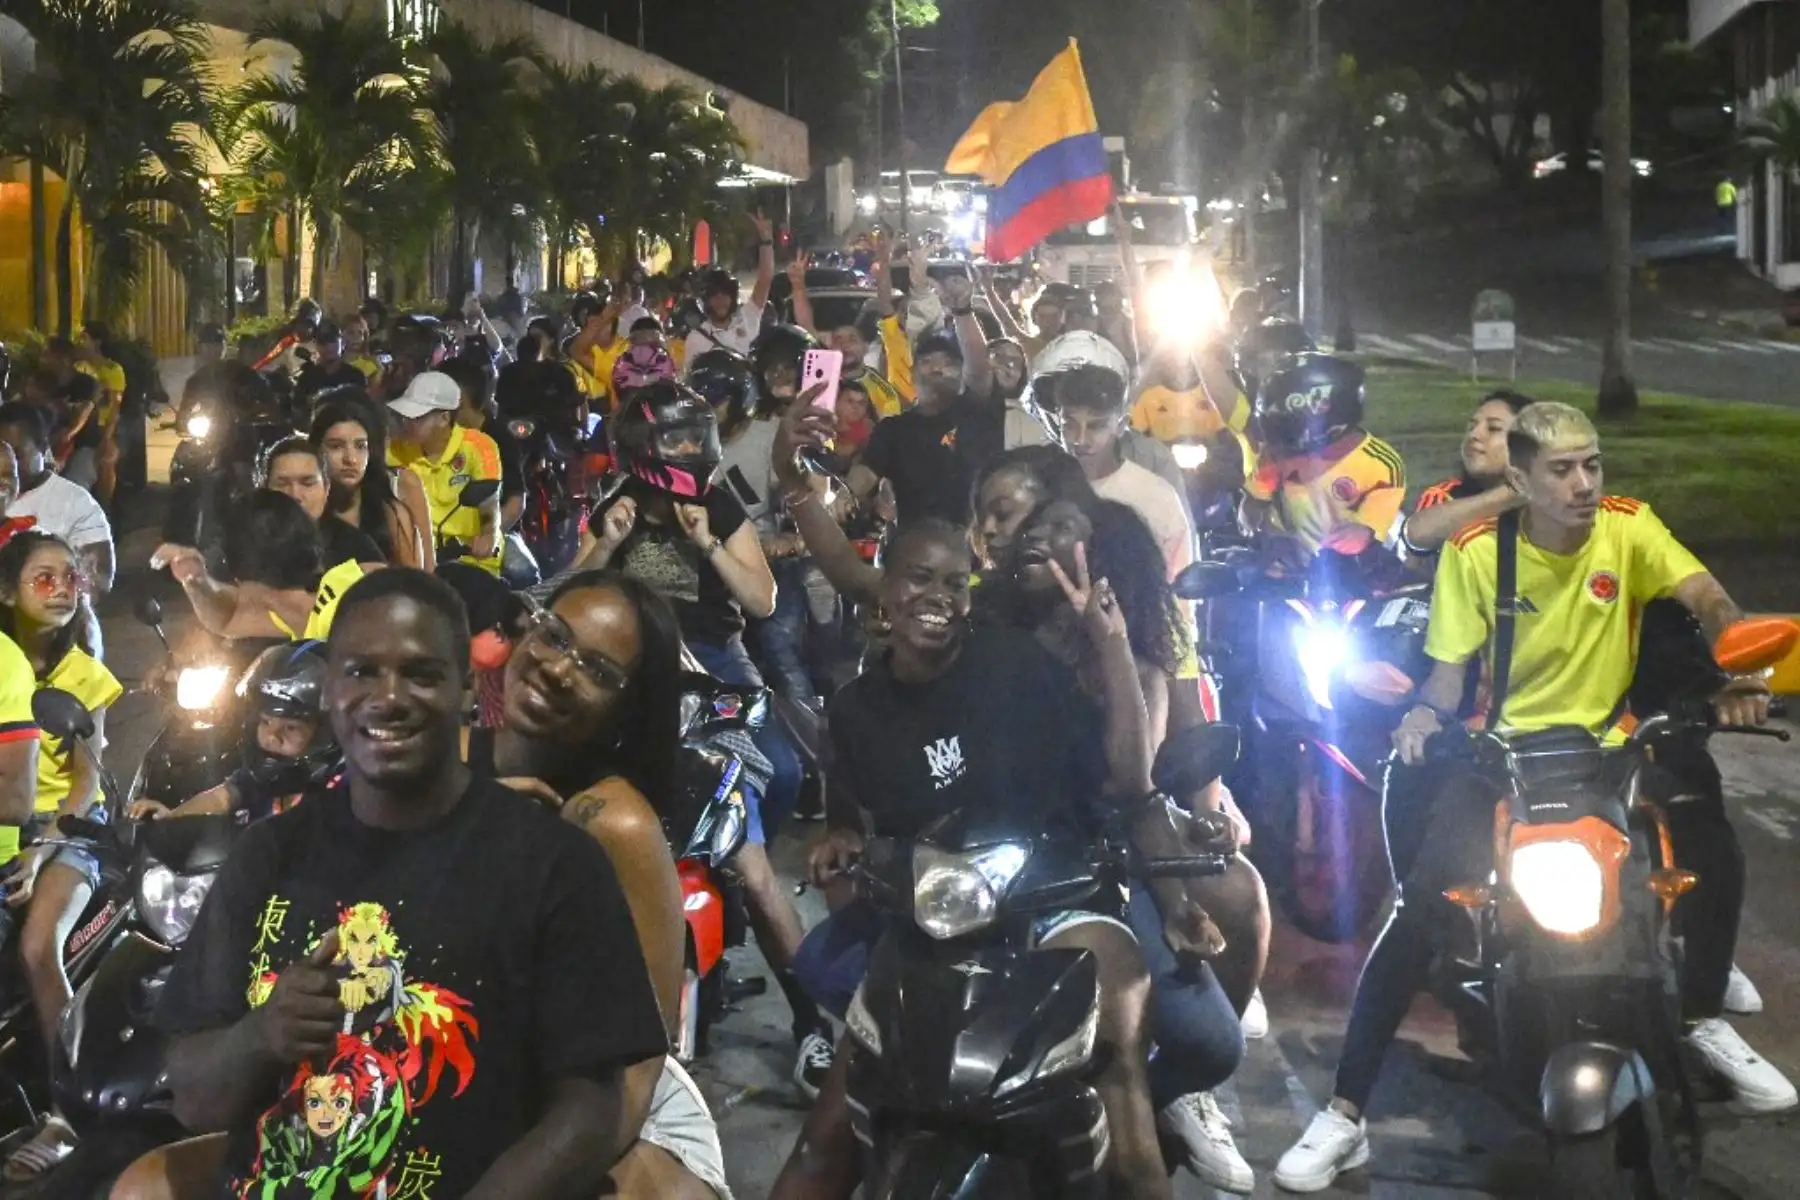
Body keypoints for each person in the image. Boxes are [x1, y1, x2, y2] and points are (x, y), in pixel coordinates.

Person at [1272, 402, 1796, 1193]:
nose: (1584, 484)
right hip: (1500, 755)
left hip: (1610, 752)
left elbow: (1707, 596)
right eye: (1562, 469)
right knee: (1417, 911)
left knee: (1704, 841)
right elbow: (1448, 673)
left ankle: (1698, 1012)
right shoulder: (1479, 551)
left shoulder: (1631, 526)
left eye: (1592, 464)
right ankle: (1345, 1111)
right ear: (1519, 480)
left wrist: (1737, 660)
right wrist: (1421, 713)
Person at [151, 568, 670, 1198]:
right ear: (328, 691)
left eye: (421, 673)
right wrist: (261, 1035)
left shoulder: (564, 854)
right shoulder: (270, 853)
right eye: (361, 671)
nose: (388, 696)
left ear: (464, 690)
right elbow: (193, 1097)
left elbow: (595, 1107)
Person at [770, 521, 1180, 1200]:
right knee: (823, 1143)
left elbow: (1123, 776)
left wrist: (1112, 647)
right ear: (885, 590)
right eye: (920, 578)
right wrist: (842, 830)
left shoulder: (1014, 664)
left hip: (1058, 905)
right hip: (937, 927)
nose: (937, 596)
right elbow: (848, 787)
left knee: (1128, 1123)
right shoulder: (857, 708)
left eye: (955, 584)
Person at [566, 381, 830, 1091]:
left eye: (694, 438)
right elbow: (571, 592)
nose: (688, 451)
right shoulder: (615, 504)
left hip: (717, 669)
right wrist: (609, 543)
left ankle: (813, 1023)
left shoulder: (714, 502)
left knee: (764, 810)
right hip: (639, 668)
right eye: (675, 441)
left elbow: (763, 599)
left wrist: (707, 544)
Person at [469, 571, 731, 1197]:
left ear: (625, 707)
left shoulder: (612, 820)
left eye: (598, 671)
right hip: (481, 1089)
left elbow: (641, 1061)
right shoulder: (450, 763)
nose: (559, 670)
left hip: (612, 1118)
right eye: (555, 636)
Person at [0, 531, 121, 1180]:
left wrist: (47, 838)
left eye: (70, 579)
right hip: (9, 834)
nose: (61, 591)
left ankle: (67, 1112)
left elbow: (85, 778)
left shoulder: (86, 674)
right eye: (41, 578)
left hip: (68, 834)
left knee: (37, 945)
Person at [843, 280, 1005, 526]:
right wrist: (844, 493)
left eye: (948, 362)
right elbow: (867, 472)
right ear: (913, 372)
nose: (937, 368)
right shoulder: (893, 430)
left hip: (974, 547)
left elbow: (980, 368)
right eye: (927, 361)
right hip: (915, 547)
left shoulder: (977, 412)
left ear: (962, 372)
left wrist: (962, 310)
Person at [127, 641, 340, 825]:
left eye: (291, 728)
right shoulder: (260, 777)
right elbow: (223, 797)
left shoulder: (338, 793)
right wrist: (173, 817)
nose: (272, 736)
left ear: (325, 732)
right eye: (265, 722)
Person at [1046, 345, 1195, 584]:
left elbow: (1178, 591)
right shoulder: (1043, 486)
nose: (1080, 439)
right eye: (1070, 424)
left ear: (1121, 424)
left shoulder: (1156, 497)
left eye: (1096, 426)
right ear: (1057, 419)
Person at [1241, 353, 1406, 565]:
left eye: (1285, 424)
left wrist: (1363, 532)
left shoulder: (1379, 465)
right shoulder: (1275, 456)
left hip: (1356, 573)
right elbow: (1254, 505)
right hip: (1289, 569)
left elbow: (1371, 529)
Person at [152, 491, 321, 641]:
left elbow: (227, 621)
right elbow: (226, 621)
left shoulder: (334, 613)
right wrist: (196, 580)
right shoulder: (285, 606)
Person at [387, 370, 503, 575]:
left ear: (443, 418)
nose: (407, 424)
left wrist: (489, 534)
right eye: (405, 417)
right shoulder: (395, 451)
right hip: (419, 563)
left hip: (470, 561)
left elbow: (489, 504)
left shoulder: (480, 446)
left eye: (417, 418)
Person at [1396, 390, 1532, 561]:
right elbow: (1418, 535)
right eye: (1471, 427)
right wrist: (1510, 493)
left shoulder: (1555, 501)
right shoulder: (1445, 495)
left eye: (1494, 428)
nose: (1474, 435)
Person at [0, 403, 114, 600]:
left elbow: (98, 584)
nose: (7, 462)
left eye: (17, 455)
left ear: (43, 448)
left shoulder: (76, 504)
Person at [309, 392, 433, 569]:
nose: (350, 459)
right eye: (336, 446)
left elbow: (416, 583)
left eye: (360, 447)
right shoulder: (306, 510)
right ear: (317, 449)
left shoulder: (391, 512)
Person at [438, 357, 526, 536]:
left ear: (459, 398)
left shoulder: (499, 438)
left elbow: (515, 501)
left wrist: (488, 538)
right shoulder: (443, 434)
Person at [683, 212, 777, 364]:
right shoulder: (696, 339)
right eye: (714, 295)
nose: (720, 300)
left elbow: (765, 279)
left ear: (733, 296)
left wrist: (766, 240)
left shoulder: (747, 318)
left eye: (725, 293)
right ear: (706, 300)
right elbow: (690, 382)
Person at [35, 338, 102, 488]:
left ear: (63, 358)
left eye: (47, 354)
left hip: (83, 444)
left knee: (77, 482)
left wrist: (68, 435)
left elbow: (84, 412)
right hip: (50, 445)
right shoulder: (45, 383)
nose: (43, 359)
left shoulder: (85, 383)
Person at [293, 318, 367, 405]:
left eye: (333, 340)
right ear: (316, 345)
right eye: (322, 342)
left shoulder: (355, 376)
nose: (328, 346)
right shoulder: (306, 378)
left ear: (342, 343)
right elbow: (299, 412)